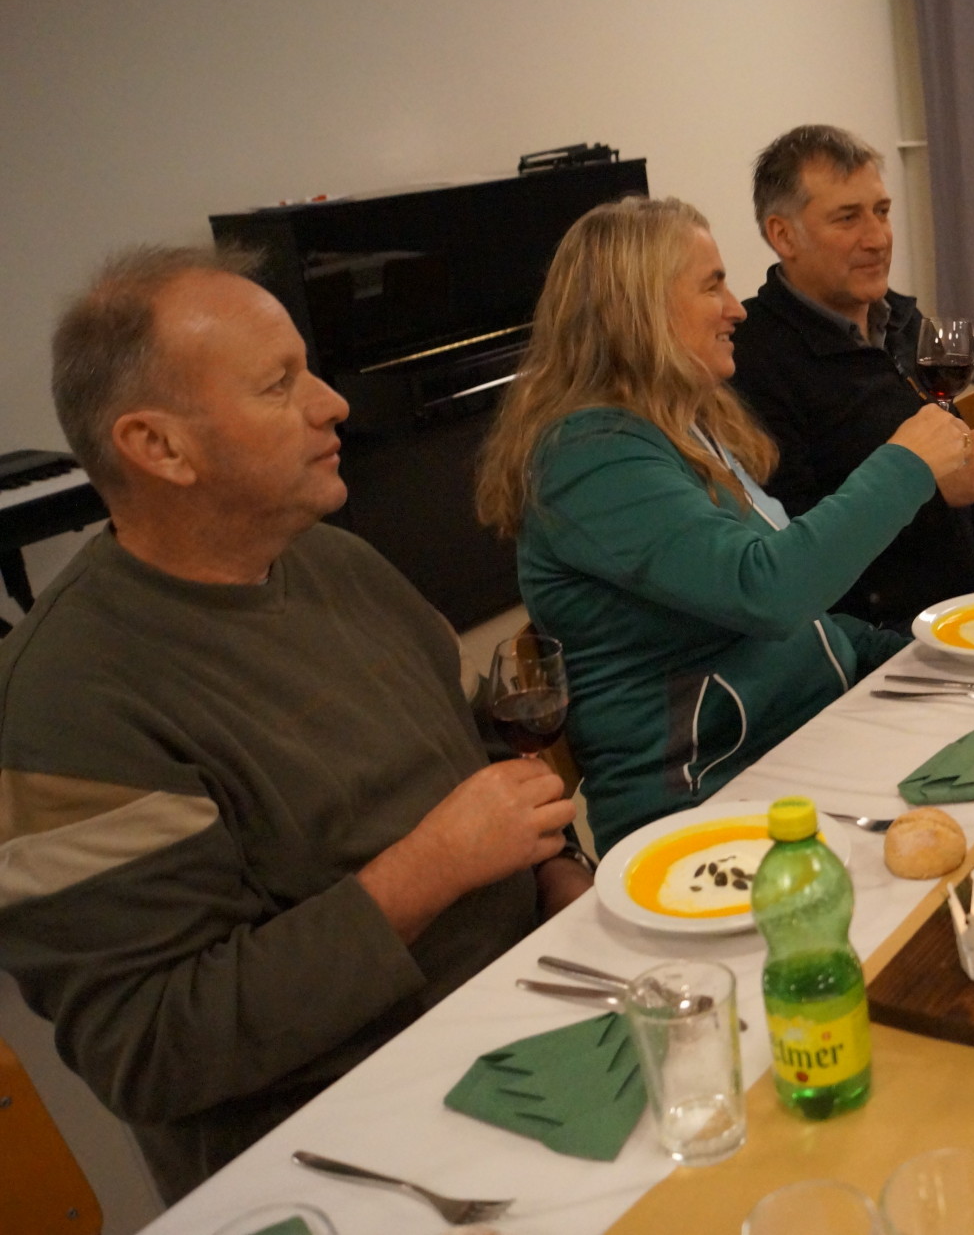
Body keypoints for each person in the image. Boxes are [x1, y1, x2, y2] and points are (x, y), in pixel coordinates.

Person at [0, 247, 588, 1200]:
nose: (333, 404)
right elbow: (150, 1047)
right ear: (159, 448)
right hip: (346, 1150)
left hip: (528, 1023)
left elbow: (481, 757)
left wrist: (562, 876)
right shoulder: (68, 705)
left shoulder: (334, 562)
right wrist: (427, 870)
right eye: (280, 386)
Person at [475, 196, 970, 852]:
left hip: (807, 746)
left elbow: (803, 626)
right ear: (639, 308)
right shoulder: (589, 457)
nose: (737, 308)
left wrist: (929, 655)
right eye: (712, 285)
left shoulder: (686, 427)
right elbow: (771, 591)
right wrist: (906, 465)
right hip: (710, 807)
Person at [729, 125, 974, 631]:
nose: (878, 238)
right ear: (783, 235)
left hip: (966, 611)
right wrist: (932, 492)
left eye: (882, 212)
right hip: (874, 646)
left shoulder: (905, 325)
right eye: (848, 218)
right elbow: (787, 536)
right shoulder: (751, 360)